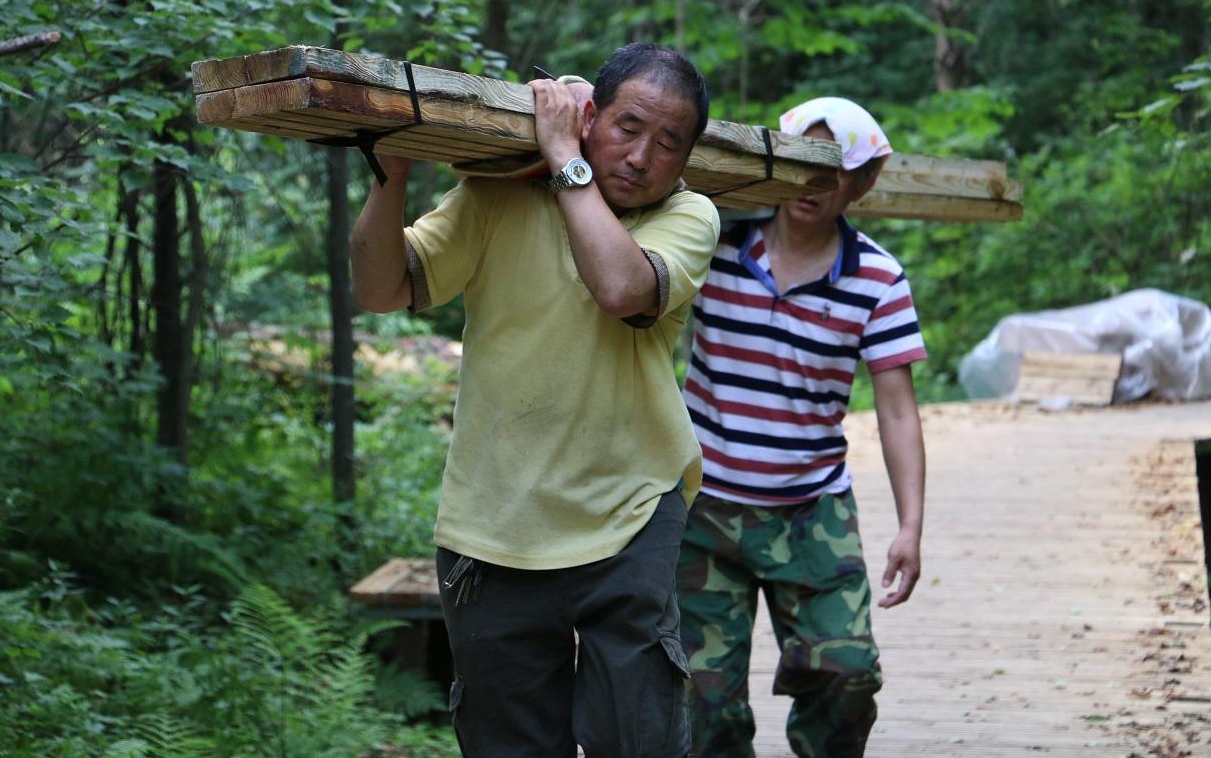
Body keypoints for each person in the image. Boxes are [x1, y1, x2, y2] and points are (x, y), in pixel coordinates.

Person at [349, 43, 720, 758]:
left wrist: (563, 160)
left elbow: (620, 290)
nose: (641, 156)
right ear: (588, 117)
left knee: (637, 738)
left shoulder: (688, 216)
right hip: (493, 526)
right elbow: (379, 288)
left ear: (686, 160)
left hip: (630, 512)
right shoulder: (493, 197)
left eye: (667, 143)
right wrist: (388, 177)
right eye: (627, 127)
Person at [677, 97, 927, 758]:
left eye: (835, 169)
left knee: (846, 678)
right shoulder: (712, 243)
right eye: (801, 163)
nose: (815, 183)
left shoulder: (876, 278)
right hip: (702, 511)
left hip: (811, 510)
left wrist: (909, 526)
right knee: (701, 704)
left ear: (863, 182)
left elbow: (897, 409)